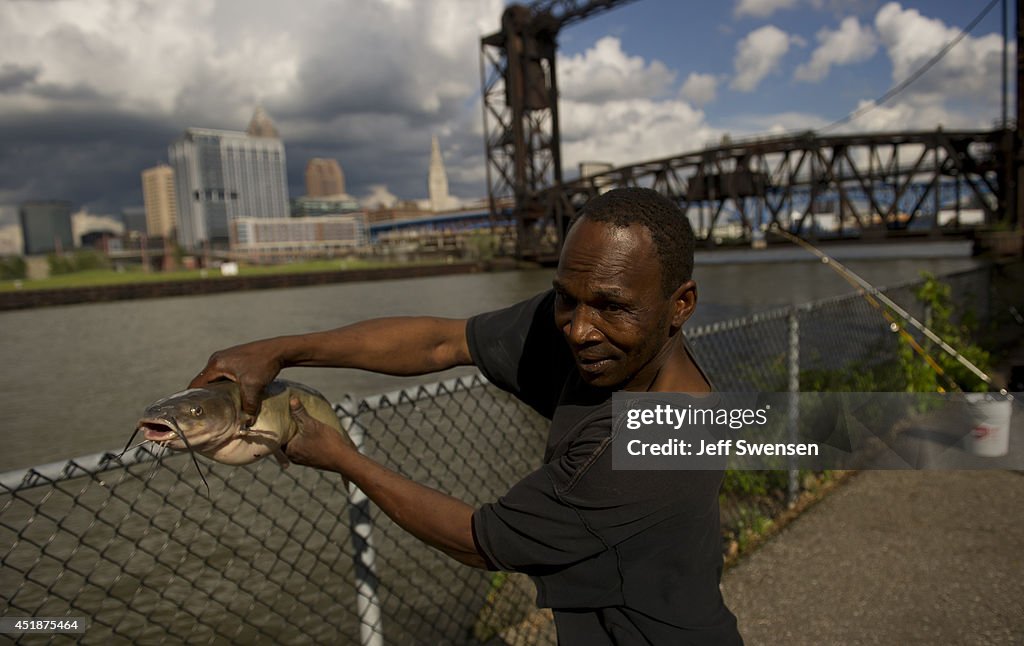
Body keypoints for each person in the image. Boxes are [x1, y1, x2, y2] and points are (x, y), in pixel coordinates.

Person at [190, 187, 743, 645]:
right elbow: (441, 342)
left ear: (682, 304)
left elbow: (480, 541)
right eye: (566, 299)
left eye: (611, 306)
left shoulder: (652, 443)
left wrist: (343, 459)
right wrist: (281, 349)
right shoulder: (596, 332)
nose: (578, 329)